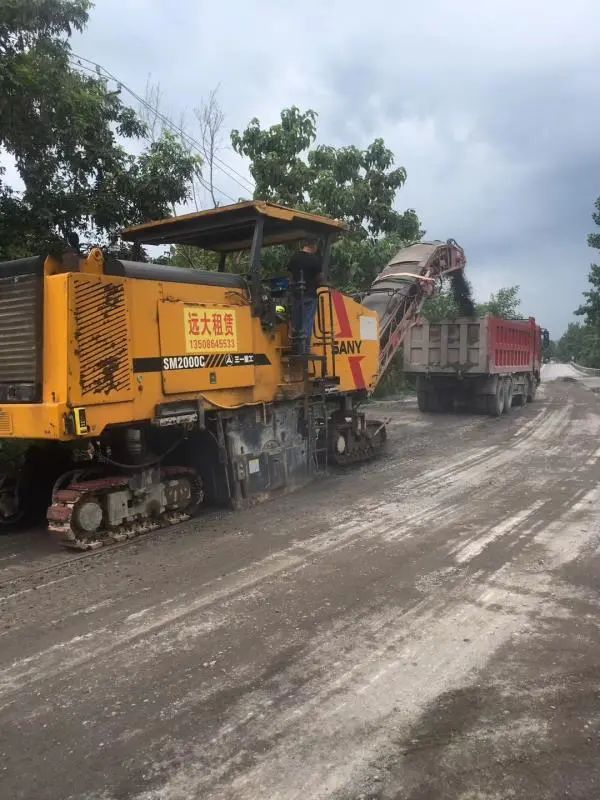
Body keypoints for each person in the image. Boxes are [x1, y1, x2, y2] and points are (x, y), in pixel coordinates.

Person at [287, 238, 322, 354]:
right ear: (314, 245)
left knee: (297, 323)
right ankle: (304, 350)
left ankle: (296, 348)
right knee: (307, 322)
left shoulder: (295, 258)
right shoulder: (314, 260)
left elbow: (290, 276)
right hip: (310, 295)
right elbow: (319, 278)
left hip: (296, 295)